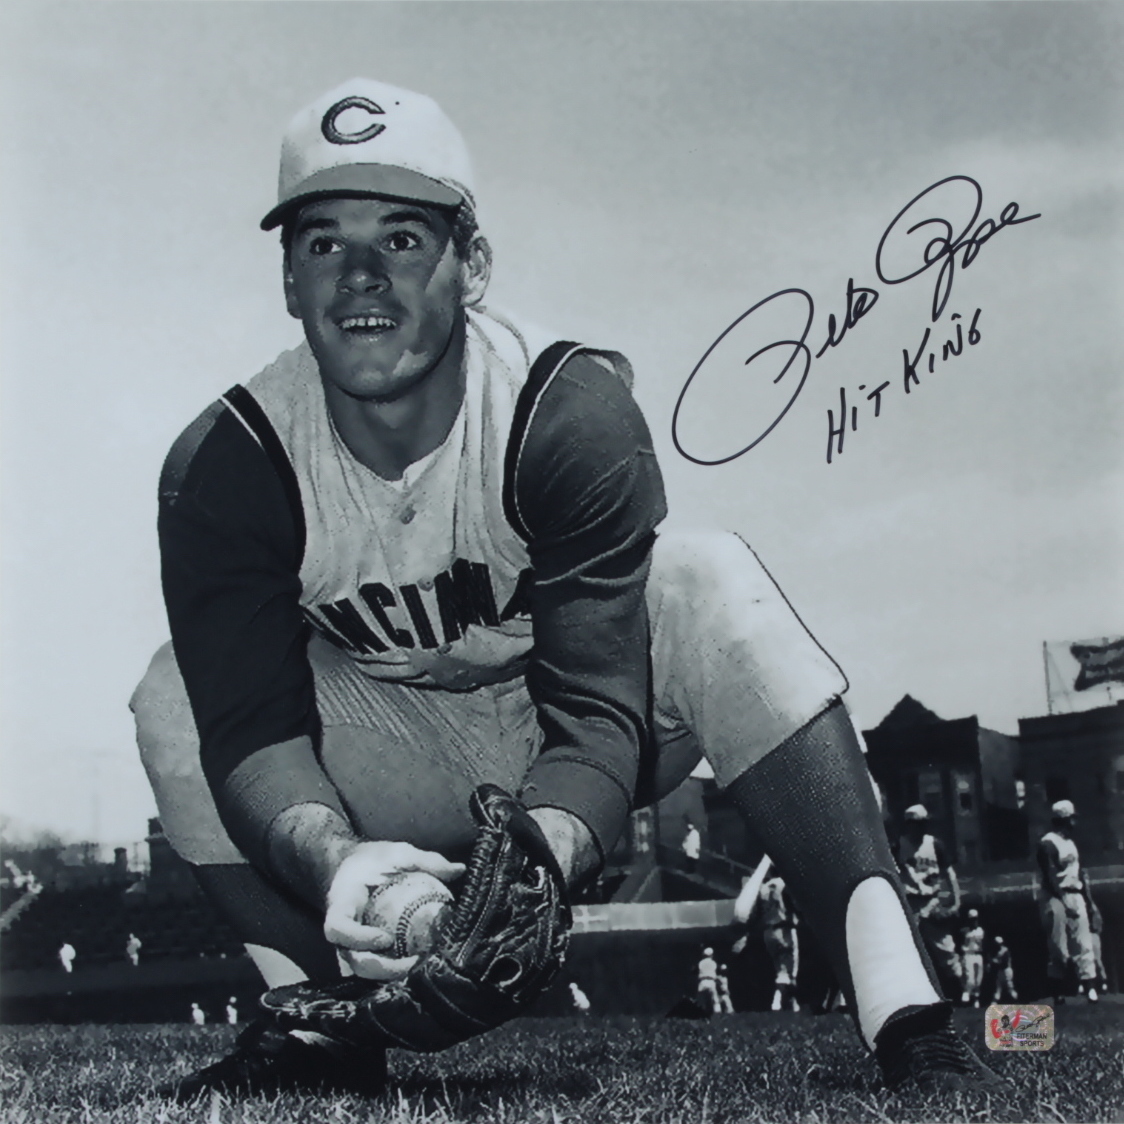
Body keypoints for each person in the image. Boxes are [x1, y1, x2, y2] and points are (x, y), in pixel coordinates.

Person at [132, 76, 1004, 1101]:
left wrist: (536, 866)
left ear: (473, 262)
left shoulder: (561, 408)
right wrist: (337, 863)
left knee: (707, 576)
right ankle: (311, 1027)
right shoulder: (229, 460)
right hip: (386, 747)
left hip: (583, 719)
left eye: (402, 238)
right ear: (288, 277)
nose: (361, 276)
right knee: (172, 694)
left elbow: (595, 712)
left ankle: (906, 1010)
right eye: (323, 243)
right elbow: (251, 731)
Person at [895, 805, 963, 1001]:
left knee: (946, 951)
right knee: (907, 952)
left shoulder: (934, 844)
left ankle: (960, 997)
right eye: (917, 823)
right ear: (908, 825)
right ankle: (911, 999)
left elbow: (949, 873)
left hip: (933, 901)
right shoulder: (898, 846)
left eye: (923, 823)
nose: (921, 827)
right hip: (909, 903)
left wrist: (956, 900)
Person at [1037, 800, 1098, 1003]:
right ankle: (1058, 991)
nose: (1074, 822)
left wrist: (1089, 902)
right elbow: (1050, 875)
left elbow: (1080, 874)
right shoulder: (1047, 843)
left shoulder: (1071, 843)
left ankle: (1090, 988)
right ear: (1063, 819)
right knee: (1058, 947)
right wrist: (1064, 901)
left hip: (1075, 893)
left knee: (1084, 943)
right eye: (1071, 818)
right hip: (1055, 896)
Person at [759, 874, 800, 1013]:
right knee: (790, 970)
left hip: (768, 931)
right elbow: (791, 903)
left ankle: (786, 1002)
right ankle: (780, 1002)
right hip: (784, 929)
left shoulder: (764, 887)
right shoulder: (784, 883)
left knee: (780, 969)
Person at [959, 909, 985, 1008]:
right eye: (972, 919)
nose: (974, 921)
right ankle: (966, 993)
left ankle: (976, 998)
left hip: (978, 955)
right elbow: (960, 944)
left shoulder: (981, 931)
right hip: (968, 954)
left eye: (975, 919)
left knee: (978, 979)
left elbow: (984, 945)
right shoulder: (964, 931)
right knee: (970, 977)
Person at [986, 935, 1018, 1003]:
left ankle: (1015, 1001)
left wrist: (993, 961)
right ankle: (994, 1002)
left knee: (1010, 987)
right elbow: (991, 959)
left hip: (1007, 971)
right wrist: (990, 962)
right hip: (1000, 971)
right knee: (998, 987)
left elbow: (1004, 962)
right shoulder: (995, 951)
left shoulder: (1005, 951)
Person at [697, 947, 722, 1015]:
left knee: (701, 1000)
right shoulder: (713, 963)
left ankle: (699, 1013)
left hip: (702, 982)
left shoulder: (700, 963)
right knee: (715, 999)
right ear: (711, 955)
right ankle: (718, 1013)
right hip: (711, 982)